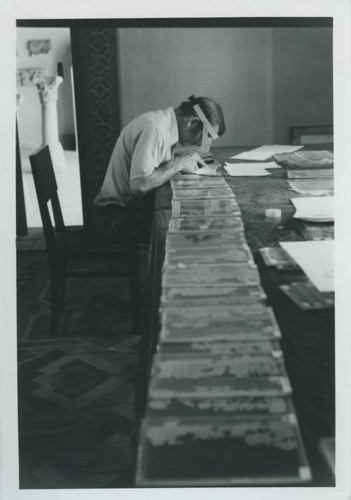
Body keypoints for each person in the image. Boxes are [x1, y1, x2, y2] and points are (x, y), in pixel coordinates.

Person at [93, 95, 226, 244]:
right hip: (116, 217)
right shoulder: (154, 129)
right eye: (206, 137)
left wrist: (179, 163)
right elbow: (140, 186)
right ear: (193, 122)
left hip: (131, 210)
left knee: (189, 219)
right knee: (189, 230)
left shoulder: (163, 125)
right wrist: (179, 163)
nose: (199, 144)